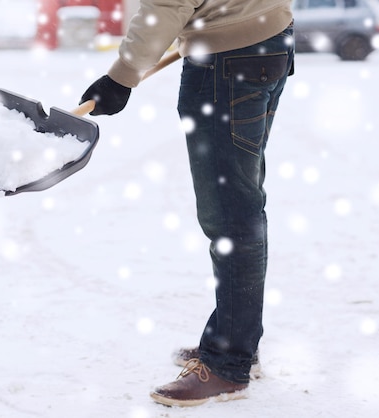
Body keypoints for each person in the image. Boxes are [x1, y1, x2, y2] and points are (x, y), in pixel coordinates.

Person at [79, 0, 295, 408]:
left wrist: (120, 77)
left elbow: (168, 3)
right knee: (242, 199)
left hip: (229, 63)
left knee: (231, 212)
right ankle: (238, 342)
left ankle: (229, 363)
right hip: (268, 40)